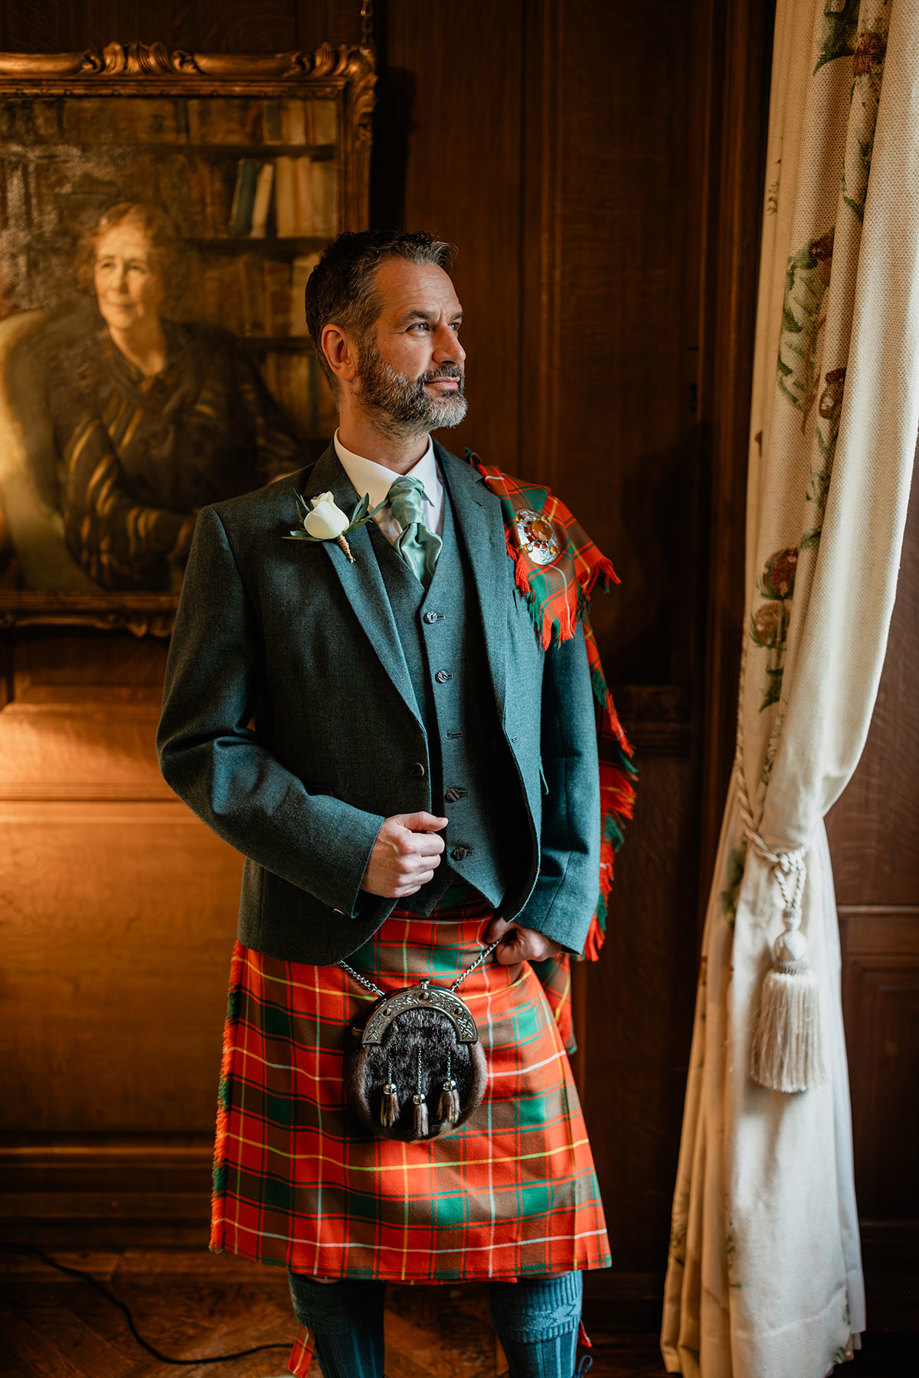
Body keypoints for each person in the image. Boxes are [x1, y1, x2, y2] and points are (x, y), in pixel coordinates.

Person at [156, 229, 634, 1378]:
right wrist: (344, 842)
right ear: (341, 347)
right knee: (331, 1267)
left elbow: (582, 737)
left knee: (543, 1257)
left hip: (491, 941)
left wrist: (558, 896)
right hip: (329, 942)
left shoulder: (528, 524)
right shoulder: (246, 537)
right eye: (422, 325)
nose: (453, 348)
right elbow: (198, 743)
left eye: (454, 323)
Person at [47, 201, 301, 591]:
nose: (117, 284)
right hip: (135, 570)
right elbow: (100, 510)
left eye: (136, 267)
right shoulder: (74, 373)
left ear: (165, 278)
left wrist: (279, 518)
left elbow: (279, 454)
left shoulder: (216, 352)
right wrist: (215, 539)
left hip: (240, 562)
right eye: (106, 265)